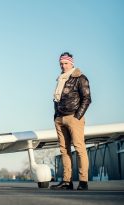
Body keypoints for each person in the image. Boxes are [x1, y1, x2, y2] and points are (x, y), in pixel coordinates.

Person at [50, 52, 91, 190]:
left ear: (71, 63)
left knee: (79, 148)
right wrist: (56, 116)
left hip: (74, 117)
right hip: (60, 118)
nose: (63, 66)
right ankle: (67, 182)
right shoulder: (60, 79)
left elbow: (87, 98)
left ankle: (83, 181)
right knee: (64, 150)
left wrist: (77, 116)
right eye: (61, 63)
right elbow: (57, 99)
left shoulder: (80, 78)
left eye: (66, 63)